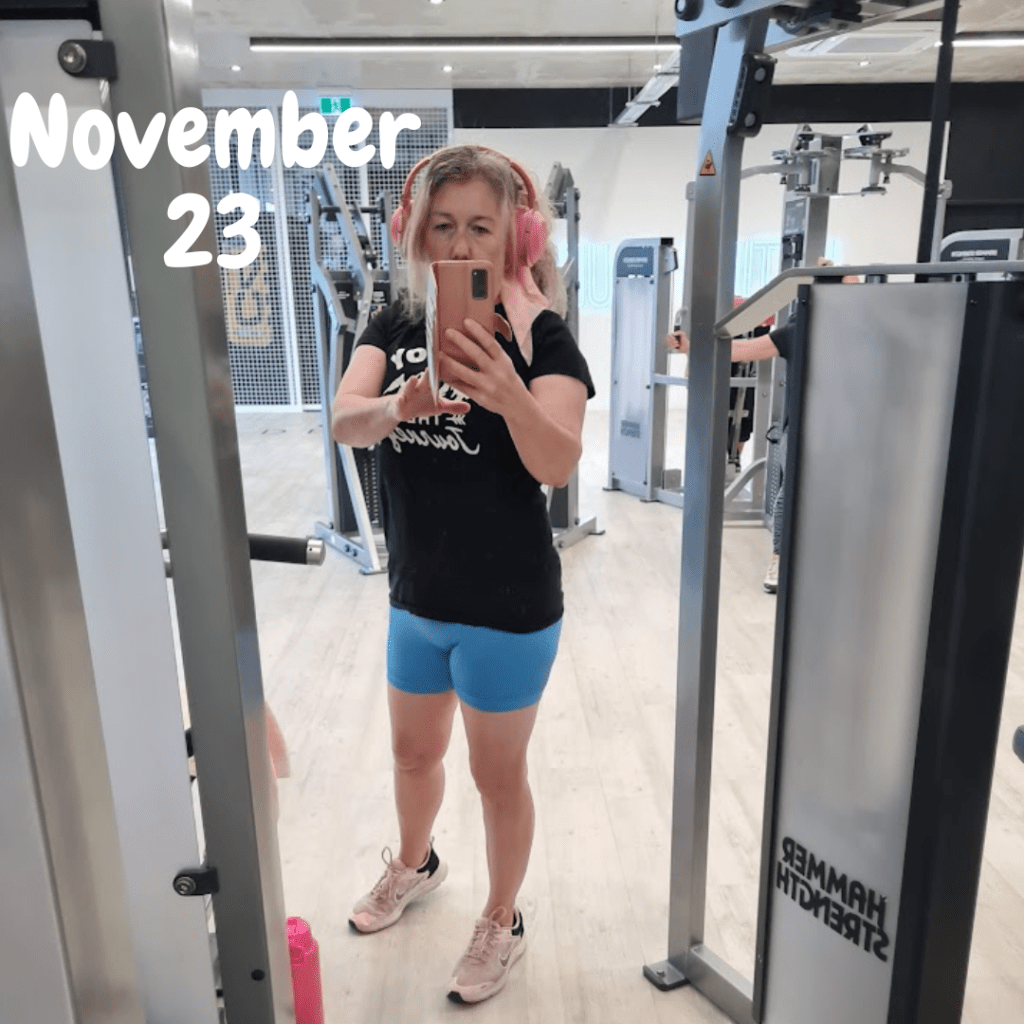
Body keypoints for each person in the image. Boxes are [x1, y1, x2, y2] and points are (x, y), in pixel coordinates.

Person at [331, 144, 594, 1005]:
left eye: (481, 226)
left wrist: (507, 389)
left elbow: (557, 462)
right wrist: (394, 407)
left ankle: (502, 920)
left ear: (516, 236)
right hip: (417, 596)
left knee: (496, 777)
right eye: (442, 225)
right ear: (414, 233)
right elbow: (344, 422)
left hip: (508, 608)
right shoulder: (392, 325)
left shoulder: (544, 338)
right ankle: (415, 864)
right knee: (413, 755)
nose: (460, 243)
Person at [667, 261, 858, 593]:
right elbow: (740, 350)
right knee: (790, 494)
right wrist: (692, 346)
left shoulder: (862, 332)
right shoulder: (799, 331)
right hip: (802, 429)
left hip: (845, 430)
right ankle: (779, 558)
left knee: (842, 497)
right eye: (849, 289)